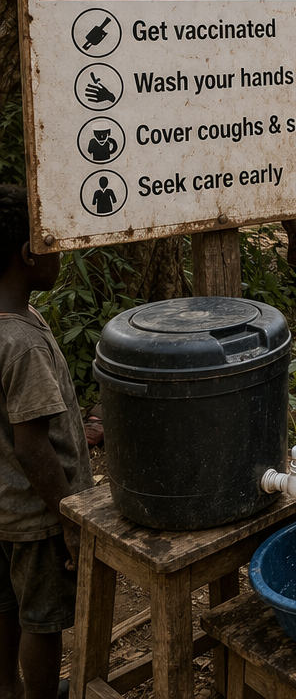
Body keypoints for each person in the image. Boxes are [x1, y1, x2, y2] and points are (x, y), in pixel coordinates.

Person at [0, 185, 89, 699]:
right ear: (29, 255)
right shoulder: (22, 344)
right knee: (42, 619)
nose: (61, 252)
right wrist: (67, 519)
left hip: (2, 506)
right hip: (35, 519)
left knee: (4, 608)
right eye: (53, 242)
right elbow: (32, 443)